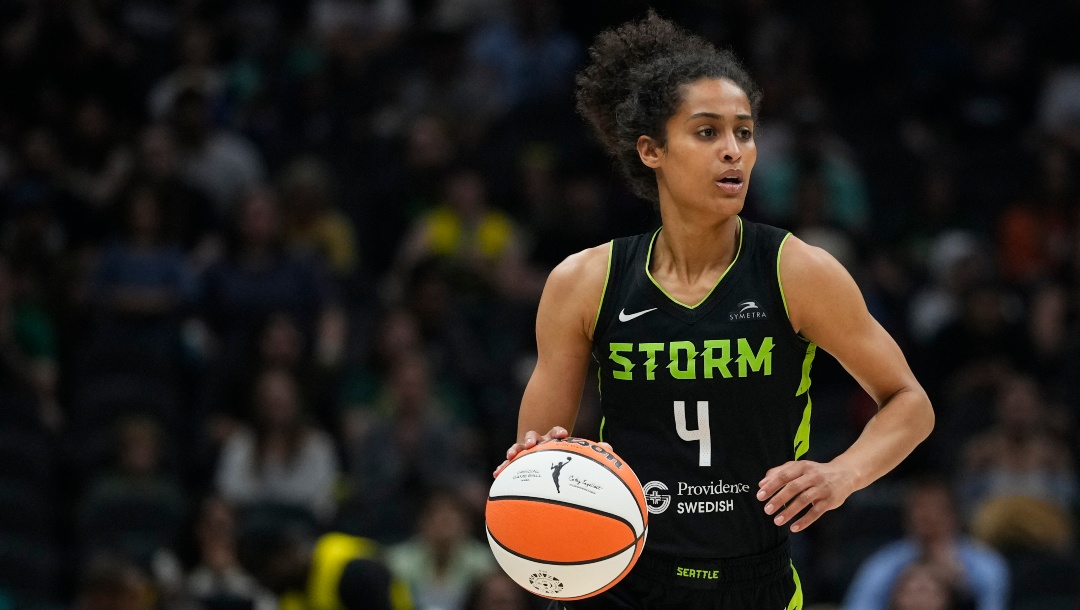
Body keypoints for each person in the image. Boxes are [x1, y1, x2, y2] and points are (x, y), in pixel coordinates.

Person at [493, 12, 935, 609]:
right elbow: (535, 459)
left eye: (745, 132)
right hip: (621, 583)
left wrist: (842, 474)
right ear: (651, 150)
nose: (734, 152)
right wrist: (536, 464)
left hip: (756, 581)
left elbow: (911, 403)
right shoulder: (584, 282)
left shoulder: (797, 270)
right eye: (707, 133)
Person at [843, 477, 1008, 610]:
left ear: (953, 515)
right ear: (907, 518)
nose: (928, 518)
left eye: (935, 510)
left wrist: (962, 586)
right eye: (920, 511)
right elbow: (859, 605)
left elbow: (993, 604)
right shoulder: (884, 563)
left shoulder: (986, 564)